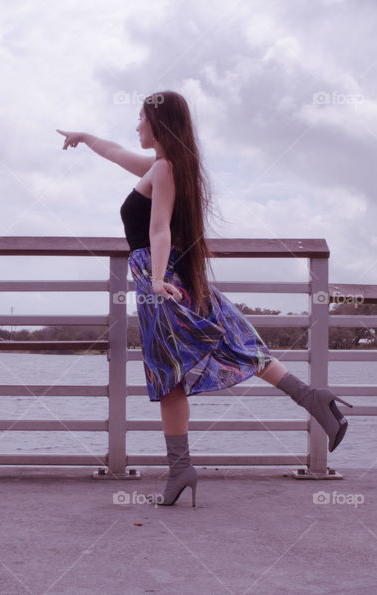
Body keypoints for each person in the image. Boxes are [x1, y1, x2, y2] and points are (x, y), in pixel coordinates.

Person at [56, 90, 352, 507]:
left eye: (141, 118)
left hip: (161, 281)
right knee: (231, 342)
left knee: (170, 371)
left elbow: (159, 229)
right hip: (175, 277)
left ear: (158, 123)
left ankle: (181, 469)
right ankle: (310, 397)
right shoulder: (166, 165)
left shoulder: (165, 169)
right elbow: (118, 153)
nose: (136, 125)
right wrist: (85, 137)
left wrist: (157, 281)